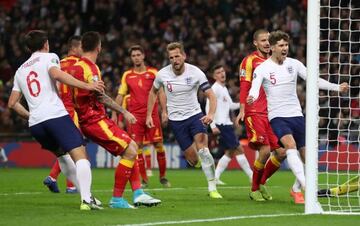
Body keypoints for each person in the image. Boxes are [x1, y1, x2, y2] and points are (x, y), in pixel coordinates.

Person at [7, 30, 105, 210]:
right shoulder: (49, 57)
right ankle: (86, 200)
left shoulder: (21, 70)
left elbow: (12, 103)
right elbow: (57, 75)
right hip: (55, 115)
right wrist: (87, 85)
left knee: (62, 156)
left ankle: (87, 196)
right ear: (45, 44)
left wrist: (31, 115)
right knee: (80, 155)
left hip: (36, 125)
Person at [247, 30, 349, 201]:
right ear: (272, 47)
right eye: (281, 45)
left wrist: (336, 87)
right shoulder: (263, 68)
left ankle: (296, 188)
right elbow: (255, 86)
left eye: (286, 45)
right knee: (290, 145)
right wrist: (252, 96)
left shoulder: (294, 64)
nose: (285, 48)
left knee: (308, 157)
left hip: (297, 115)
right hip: (278, 116)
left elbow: (313, 79)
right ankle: (306, 188)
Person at [69, 31, 161, 209]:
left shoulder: (73, 66)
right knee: (131, 150)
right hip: (94, 120)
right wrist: (123, 112)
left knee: (131, 147)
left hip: (86, 119)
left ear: (82, 47)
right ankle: (117, 199)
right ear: (99, 47)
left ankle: (138, 193)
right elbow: (100, 96)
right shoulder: (90, 68)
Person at [146, 42, 222, 199]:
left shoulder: (196, 73)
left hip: (195, 116)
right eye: (171, 57)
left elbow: (211, 95)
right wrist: (149, 115)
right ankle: (202, 164)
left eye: (177, 56)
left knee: (204, 150)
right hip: (176, 120)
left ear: (184, 56)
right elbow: (153, 93)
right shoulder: (162, 74)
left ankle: (212, 187)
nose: (175, 60)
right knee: (193, 160)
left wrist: (211, 114)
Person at [235, 29, 287, 202]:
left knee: (281, 152)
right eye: (263, 40)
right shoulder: (249, 61)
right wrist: (242, 109)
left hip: (273, 113)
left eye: (268, 40)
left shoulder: (276, 62)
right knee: (264, 150)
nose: (266, 43)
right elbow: (244, 86)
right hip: (255, 111)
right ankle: (254, 189)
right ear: (255, 43)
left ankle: (262, 181)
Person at [113, 45, 170, 188]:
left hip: (152, 115)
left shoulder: (153, 73)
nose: (136, 57)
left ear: (143, 56)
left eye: (138, 54)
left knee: (158, 145)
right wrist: (115, 113)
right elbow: (121, 95)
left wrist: (164, 111)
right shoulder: (127, 75)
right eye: (133, 55)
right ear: (131, 58)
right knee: (136, 147)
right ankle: (144, 179)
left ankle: (163, 177)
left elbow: (161, 92)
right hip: (135, 117)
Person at [43, 35, 82, 194]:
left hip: (55, 107)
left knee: (66, 147)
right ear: (74, 48)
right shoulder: (79, 64)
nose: (83, 50)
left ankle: (54, 178)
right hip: (70, 108)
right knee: (74, 146)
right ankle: (69, 184)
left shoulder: (56, 63)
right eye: (81, 47)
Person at [205, 64, 253, 185]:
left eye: (222, 71)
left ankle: (215, 177)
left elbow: (230, 106)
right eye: (218, 72)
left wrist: (244, 104)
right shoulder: (215, 88)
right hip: (221, 124)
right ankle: (252, 176)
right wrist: (212, 125)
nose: (222, 74)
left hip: (226, 124)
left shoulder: (223, 88)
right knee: (239, 149)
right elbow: (208, 106)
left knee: (230, 152)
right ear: (214, 76)